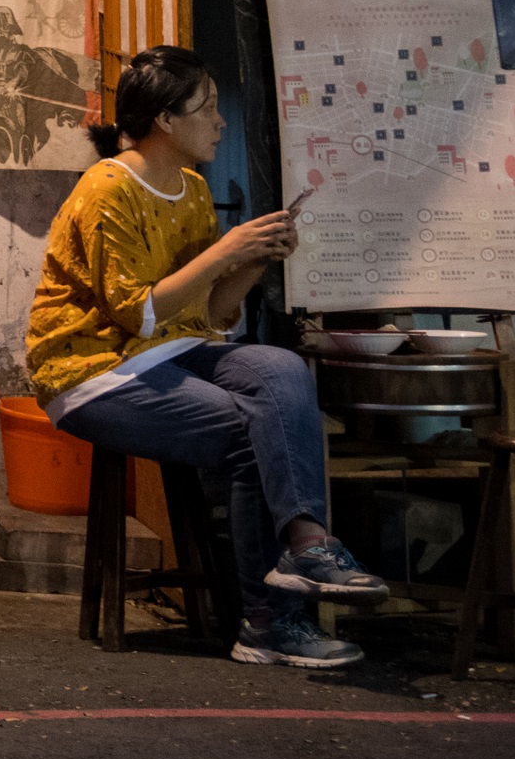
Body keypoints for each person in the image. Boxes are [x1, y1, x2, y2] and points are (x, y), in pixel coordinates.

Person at [26, 45, 386, 668]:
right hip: (92, 370)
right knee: (255, 432)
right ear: (166, 119)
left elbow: (213, 315)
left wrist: (252, 259)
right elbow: (135, 313)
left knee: (281, 368)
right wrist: (225, 251)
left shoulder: (190, 188)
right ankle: (270, 622)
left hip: (172, 352)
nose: (221, 122)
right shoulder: (106, 188)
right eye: (209, 108)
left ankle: (306, 543)